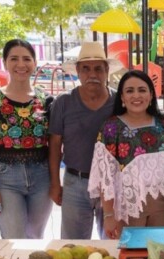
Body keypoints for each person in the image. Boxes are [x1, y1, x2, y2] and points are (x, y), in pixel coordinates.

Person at [0, 39, 53, 238]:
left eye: (27, 59)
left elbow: (54, 143)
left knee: (36, 236)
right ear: (5, 62)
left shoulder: (46, 100)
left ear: (34, 63)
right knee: (13, 236)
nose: (21, 64)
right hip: (6, 178)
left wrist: (56, 182)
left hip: (42, 177)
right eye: (14, 59)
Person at [89, 70, 164, 239]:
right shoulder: (111, 128)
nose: (136, 95)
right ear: (122, 97)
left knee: (159, 254)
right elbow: (105, 177)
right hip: (127, 207)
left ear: (151, 95)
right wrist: (108, 215)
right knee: (132, 258)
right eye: (130, 91)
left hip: (162, 205)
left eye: (142, 90)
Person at [49, 42, 117, 239]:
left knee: (113, 244)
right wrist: (55, 184)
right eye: (86, 69)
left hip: (112, 185)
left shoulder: (119, 102)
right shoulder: (64, 102)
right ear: (78, 72)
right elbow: (54, 146)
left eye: (98, 69)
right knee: (73, 248)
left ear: (107, 71)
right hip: (75, 183)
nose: (92, 74)